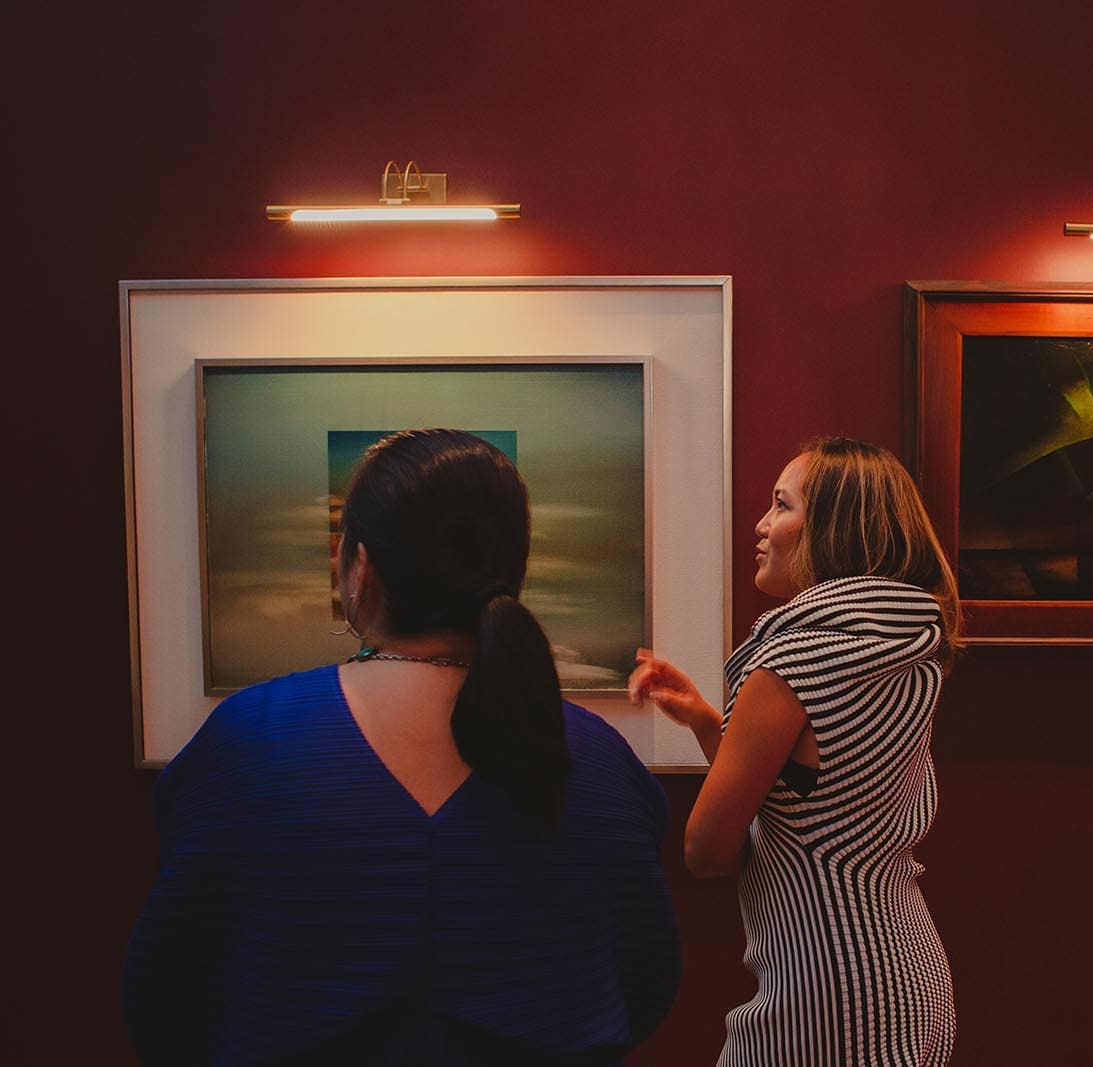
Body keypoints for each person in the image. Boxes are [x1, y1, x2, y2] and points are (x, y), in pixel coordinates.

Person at [124, 428, 679, 1066]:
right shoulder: (601, 762)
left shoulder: (251, 740)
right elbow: (645, 985)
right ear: (511, 570)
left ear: (360, 568)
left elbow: (164, 995)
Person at [629, 434, 959, 1066]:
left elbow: (706, 851)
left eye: (781, 505)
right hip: (905, 975)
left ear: (833, 530)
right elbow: (812, 799)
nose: (761, 524)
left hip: (829, 988)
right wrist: (706, 721)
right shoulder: (901, 646)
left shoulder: (790, 662)